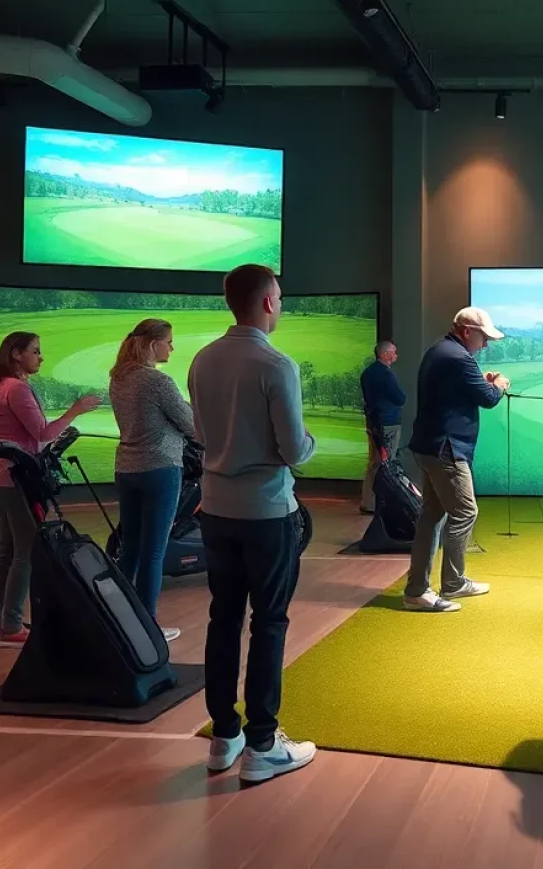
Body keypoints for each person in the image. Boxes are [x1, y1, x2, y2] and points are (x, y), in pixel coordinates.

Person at [188, 264, 317, 784]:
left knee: (224, 619)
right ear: (267, 302)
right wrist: (307, 443)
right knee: (268, 623)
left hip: (216, 509)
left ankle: (225, 735)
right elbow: (294, 450)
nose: (281, 305)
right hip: (266, 512)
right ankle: (262, 743)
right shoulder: (275, 364)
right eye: (280, 297)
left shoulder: (201, 359)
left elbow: (201, 433)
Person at [0, 333, 100, 649]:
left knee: (7, 551)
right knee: (25, 552)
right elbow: (43, 432)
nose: (40, 357)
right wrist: (74, 411)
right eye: (35, 351)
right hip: (16, 479)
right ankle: (11, 625)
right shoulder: (16, 388)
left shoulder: (1, 386)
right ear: (17, 355)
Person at [403, 308, 509, 613]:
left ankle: (419, 590)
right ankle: (450, 582)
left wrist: (486, 385)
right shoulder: (458, 357)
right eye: (483, 337)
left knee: (432, 516)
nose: (485, 344)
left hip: (431, 445)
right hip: (446, 448)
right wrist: (498, 386)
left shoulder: (442, 351)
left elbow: (469, 391)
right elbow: (488, 398)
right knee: (465, 512)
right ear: (466, 331)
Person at [109, 319, 195, 643]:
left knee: (129, 549)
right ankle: (149, 626)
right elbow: (191, 426)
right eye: (169, 342)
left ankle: (118, 618)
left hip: (127, 469)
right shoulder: (158, 381)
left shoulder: (119, 377)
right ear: (152, 344)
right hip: (161, 469)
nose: (172, 348)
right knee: (154, 552)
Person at [359, 340, 406, 514]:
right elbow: (400, 398)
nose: (396, 355)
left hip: (373, 422)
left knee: (374, 462)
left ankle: (368, 501)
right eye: (393, 352)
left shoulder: (367, 373)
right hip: (388, 423)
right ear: (385, 354)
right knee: (386, 462)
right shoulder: (386, 375)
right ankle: (382, 502)